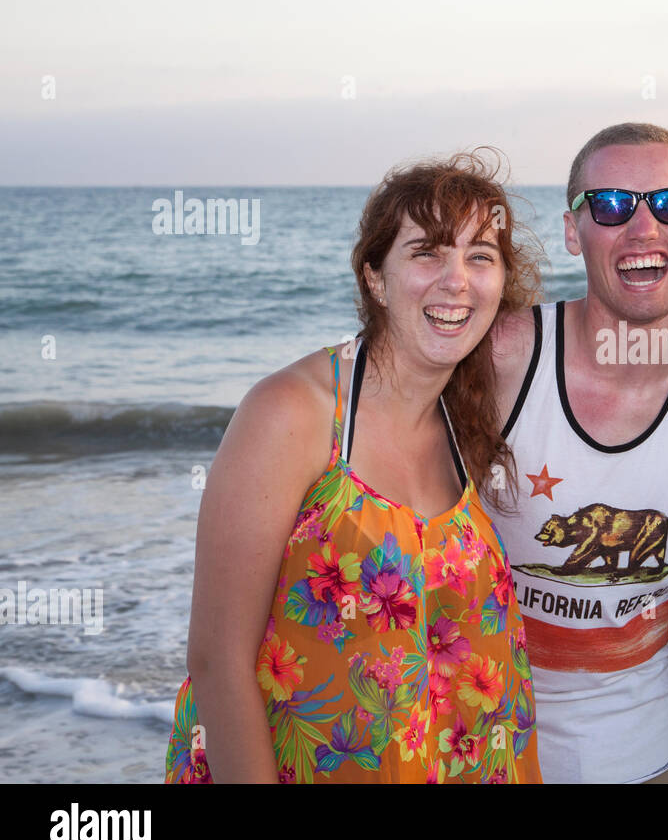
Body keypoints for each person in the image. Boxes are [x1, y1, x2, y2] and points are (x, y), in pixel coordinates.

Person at [163, 151, 545, 783]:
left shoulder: (465, 422)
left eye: (481, 256)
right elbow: (217, 661)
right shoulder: (294, 412)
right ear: (375, 277)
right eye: (427, 252)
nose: (457, 280)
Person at [484, 123, 668, 783]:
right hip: (487, 729)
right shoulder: (506, 351)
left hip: (642, 737)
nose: (643, 228)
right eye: (610, 205)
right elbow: (371, 398)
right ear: (574, 233)